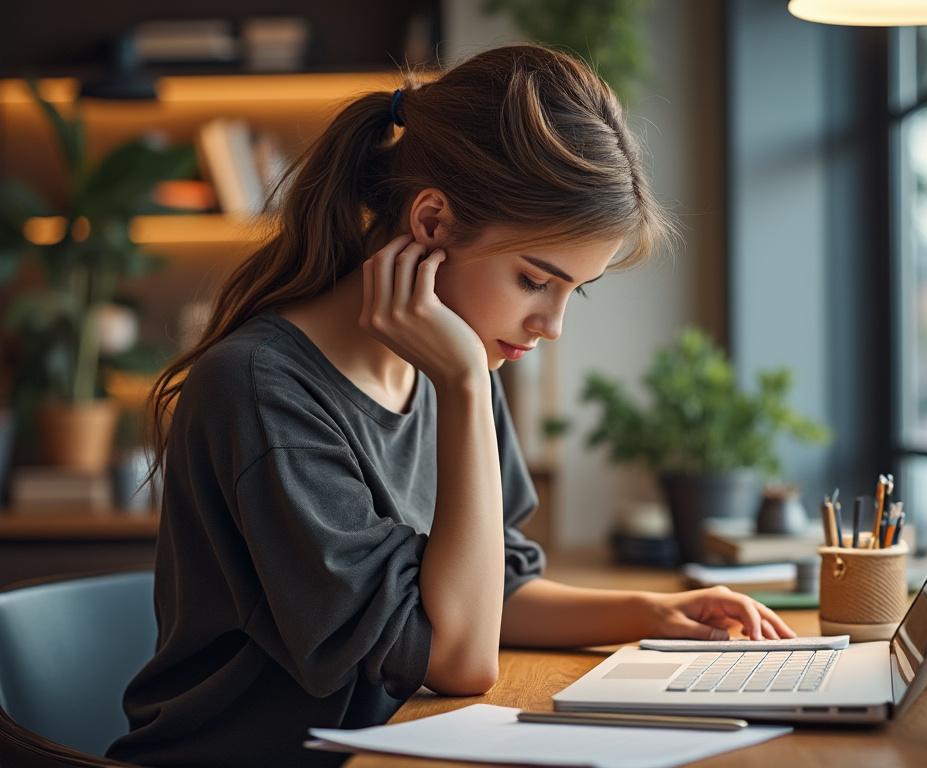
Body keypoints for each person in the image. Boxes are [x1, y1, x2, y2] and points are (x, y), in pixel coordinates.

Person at [107, 44, 795, 768]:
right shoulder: (263, 390)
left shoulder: (454, 363)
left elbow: (490, 592)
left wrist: (653, 614)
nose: (551, 326)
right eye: (535, 280)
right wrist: (466, 386)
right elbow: (458, 656)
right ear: (432, 222)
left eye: (572, 292)